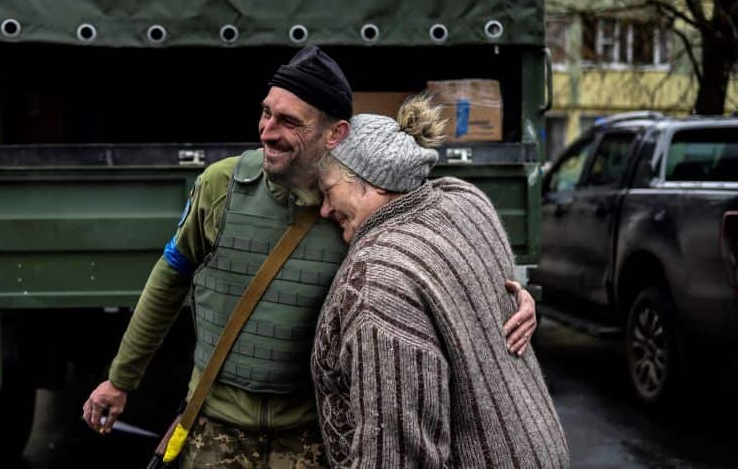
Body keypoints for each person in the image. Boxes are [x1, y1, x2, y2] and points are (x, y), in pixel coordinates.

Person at [83, 46, 538, 467]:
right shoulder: (221, 186)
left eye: (289, 121)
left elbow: (445, 248)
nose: (267, 131)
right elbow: (170, 278)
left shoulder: (360, 204)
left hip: (314, 439)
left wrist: (510, 299)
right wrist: (121, 379)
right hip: (214, 429)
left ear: (335, 133)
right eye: (266, 113)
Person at [311, 94, 570, 468]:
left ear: (375, 181)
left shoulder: (378, 279)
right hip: (540, 448)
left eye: (329, 191)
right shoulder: (466, 201)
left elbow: (398, 453)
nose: (324, 209)